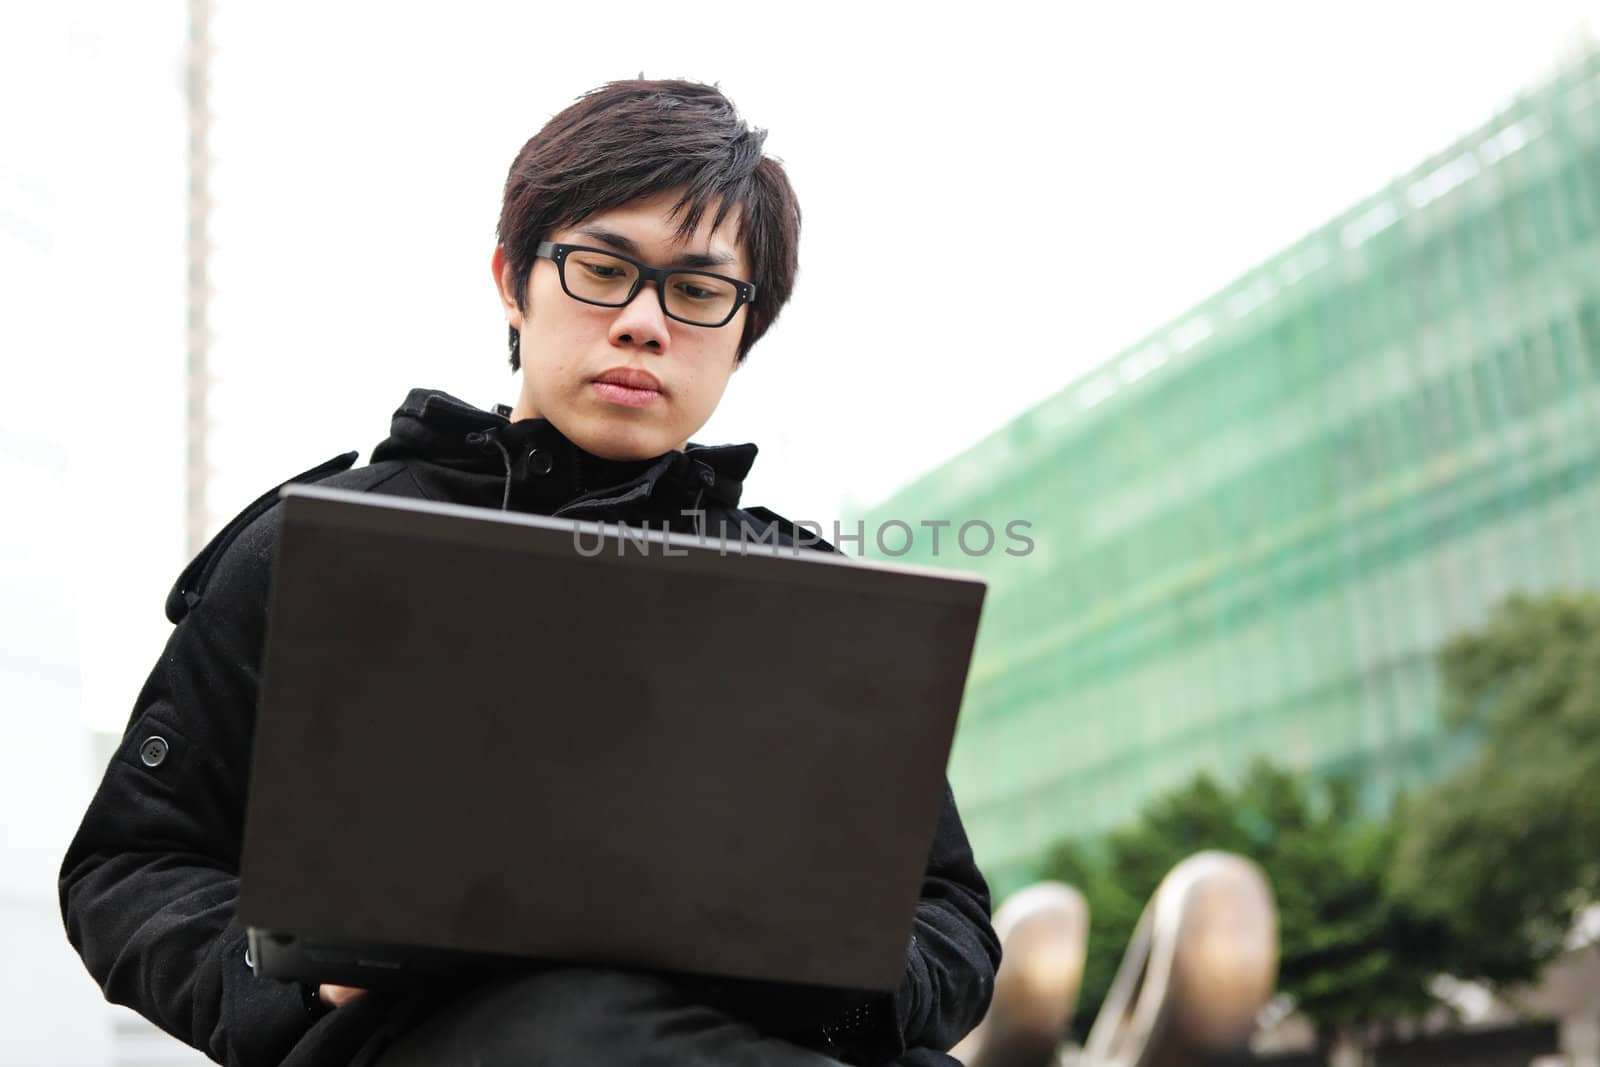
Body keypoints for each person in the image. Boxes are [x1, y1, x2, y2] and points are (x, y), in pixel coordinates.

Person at [59, 78, 1000, 1067]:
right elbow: (133, 863)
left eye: (697, 289)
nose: (643, 323)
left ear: (741, 331)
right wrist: (292, 984)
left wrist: (843, 996)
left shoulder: (812, 598)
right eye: (603, 267)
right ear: (514, 278)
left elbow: (947, 915)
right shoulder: (327, 546)